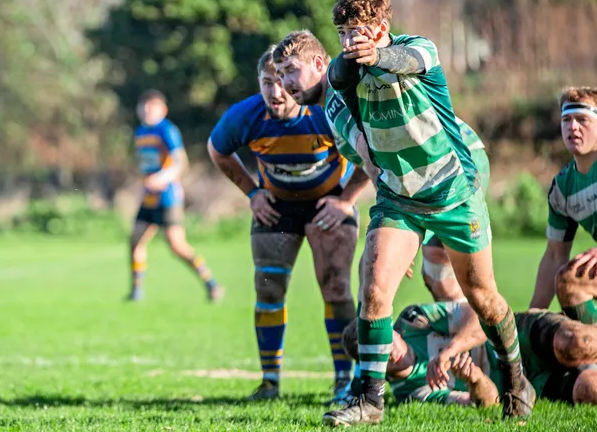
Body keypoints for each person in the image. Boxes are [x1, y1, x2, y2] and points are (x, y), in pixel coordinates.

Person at [322, 0, 534, 425]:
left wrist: (376, 54)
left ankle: (516, 379)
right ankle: (370, 400)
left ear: (382, 28)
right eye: (342, 33)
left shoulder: (417, 49)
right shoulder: (344, 70)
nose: (348, 42)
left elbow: (410, 61)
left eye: (357, 31)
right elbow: (337, 79)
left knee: (483, 297)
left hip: (453, 192)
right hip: (399, 198)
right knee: (375, 288)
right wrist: (351, 61)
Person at [272, 29, 490, 304]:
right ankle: (465, 343)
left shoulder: (337, 99)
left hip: (456, 161)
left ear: (318, 63)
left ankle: (477, 342)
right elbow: (372, 159)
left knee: (441, 273)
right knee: (427, 277)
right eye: (280, 74)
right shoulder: (331, 102)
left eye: (291, 70)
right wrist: (349, 201)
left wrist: (391, 224)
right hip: (435, 168)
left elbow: (371, 158)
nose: (285, 82)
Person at [208, 47, 366, 404]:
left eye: (282, 82)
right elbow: (217, 151)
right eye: (267, 82)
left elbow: (372, 151)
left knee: (336, 288)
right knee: (267, 288)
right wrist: (252, 193)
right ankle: (269, 383)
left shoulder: (326, 111)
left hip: (328, 206)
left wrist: (347, 200)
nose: (276, 92)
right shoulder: (245, 116)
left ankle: (344, 379)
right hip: (275, 208)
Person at [341, 302, 597, 409]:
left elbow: (478, 316)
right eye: (379, 352)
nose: (390, 349)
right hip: (526, 383)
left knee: (578, 342)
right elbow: (487, 404)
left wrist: (450, 351)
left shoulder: (413, 320)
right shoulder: (413, 393)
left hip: (516, 336)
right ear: (371, 365)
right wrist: (475, 378)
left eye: (386, 338)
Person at [530, 86, 597, 377]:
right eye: (566, 120)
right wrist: (531, 317)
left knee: (571, 280)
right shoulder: (563, 189)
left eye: (582, 120)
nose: (573, 127)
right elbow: (554, 256)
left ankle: (589, 356)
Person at [127, 90, 224, 303]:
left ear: (163, 110)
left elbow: (180, 162)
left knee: (177, 247)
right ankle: (136, 291)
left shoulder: (167, 130)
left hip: (167, 198)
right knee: (135, 241)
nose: (146, 110)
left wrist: (163, 178)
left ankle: (211, 283)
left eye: (151, 106)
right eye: (143, 106)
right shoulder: (141, 132)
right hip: (148, 198)